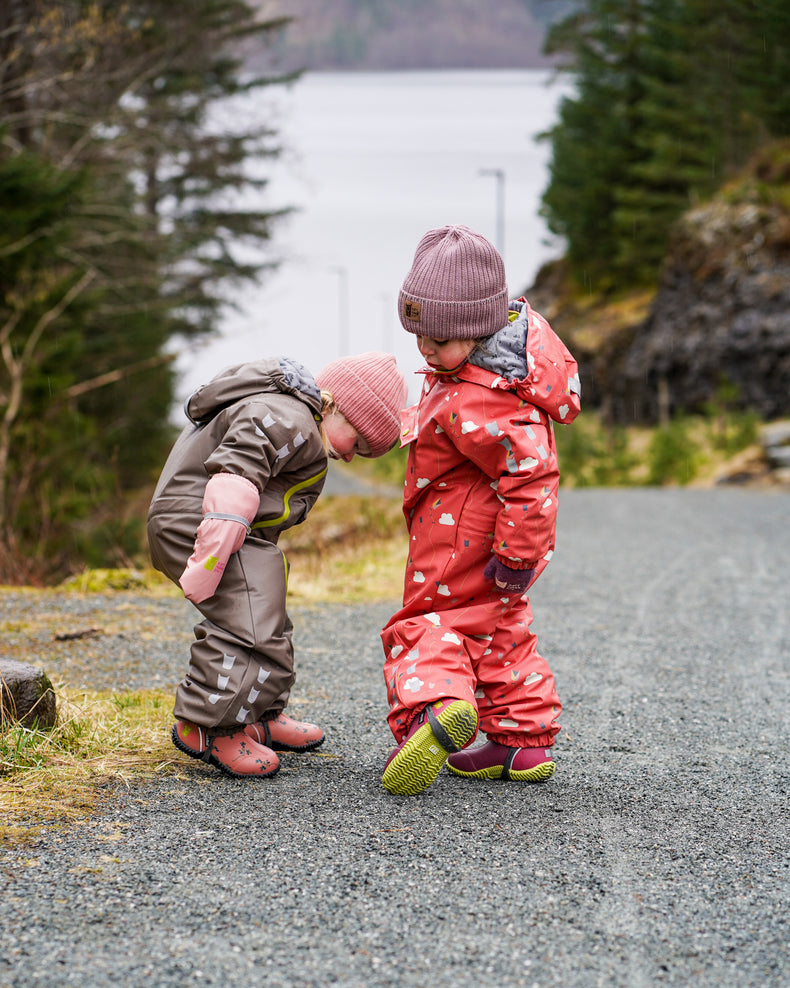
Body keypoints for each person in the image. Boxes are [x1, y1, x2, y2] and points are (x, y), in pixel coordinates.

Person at [380, 224, 581, 796]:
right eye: (417, 336)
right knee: (500, 630)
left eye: (437, 341)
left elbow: (531, 472)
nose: (425, 350)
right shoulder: (478, 375)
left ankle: (436, 709)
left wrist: (518, 554)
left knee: (429, 626)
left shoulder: (481, 393)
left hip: (459, 541)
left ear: (475, 329)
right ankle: (521, 744)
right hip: (491, 545)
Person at [148, 352, 407, 779]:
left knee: (268, 614)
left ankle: (261, 712)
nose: (351, 456)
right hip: (202, 521)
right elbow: (237, 471)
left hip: (228, 529)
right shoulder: (286, 417)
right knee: (247, 622)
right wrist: (215, 545)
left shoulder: (301, 422)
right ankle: (211, 725)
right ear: (336, 405)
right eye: (357, 442)